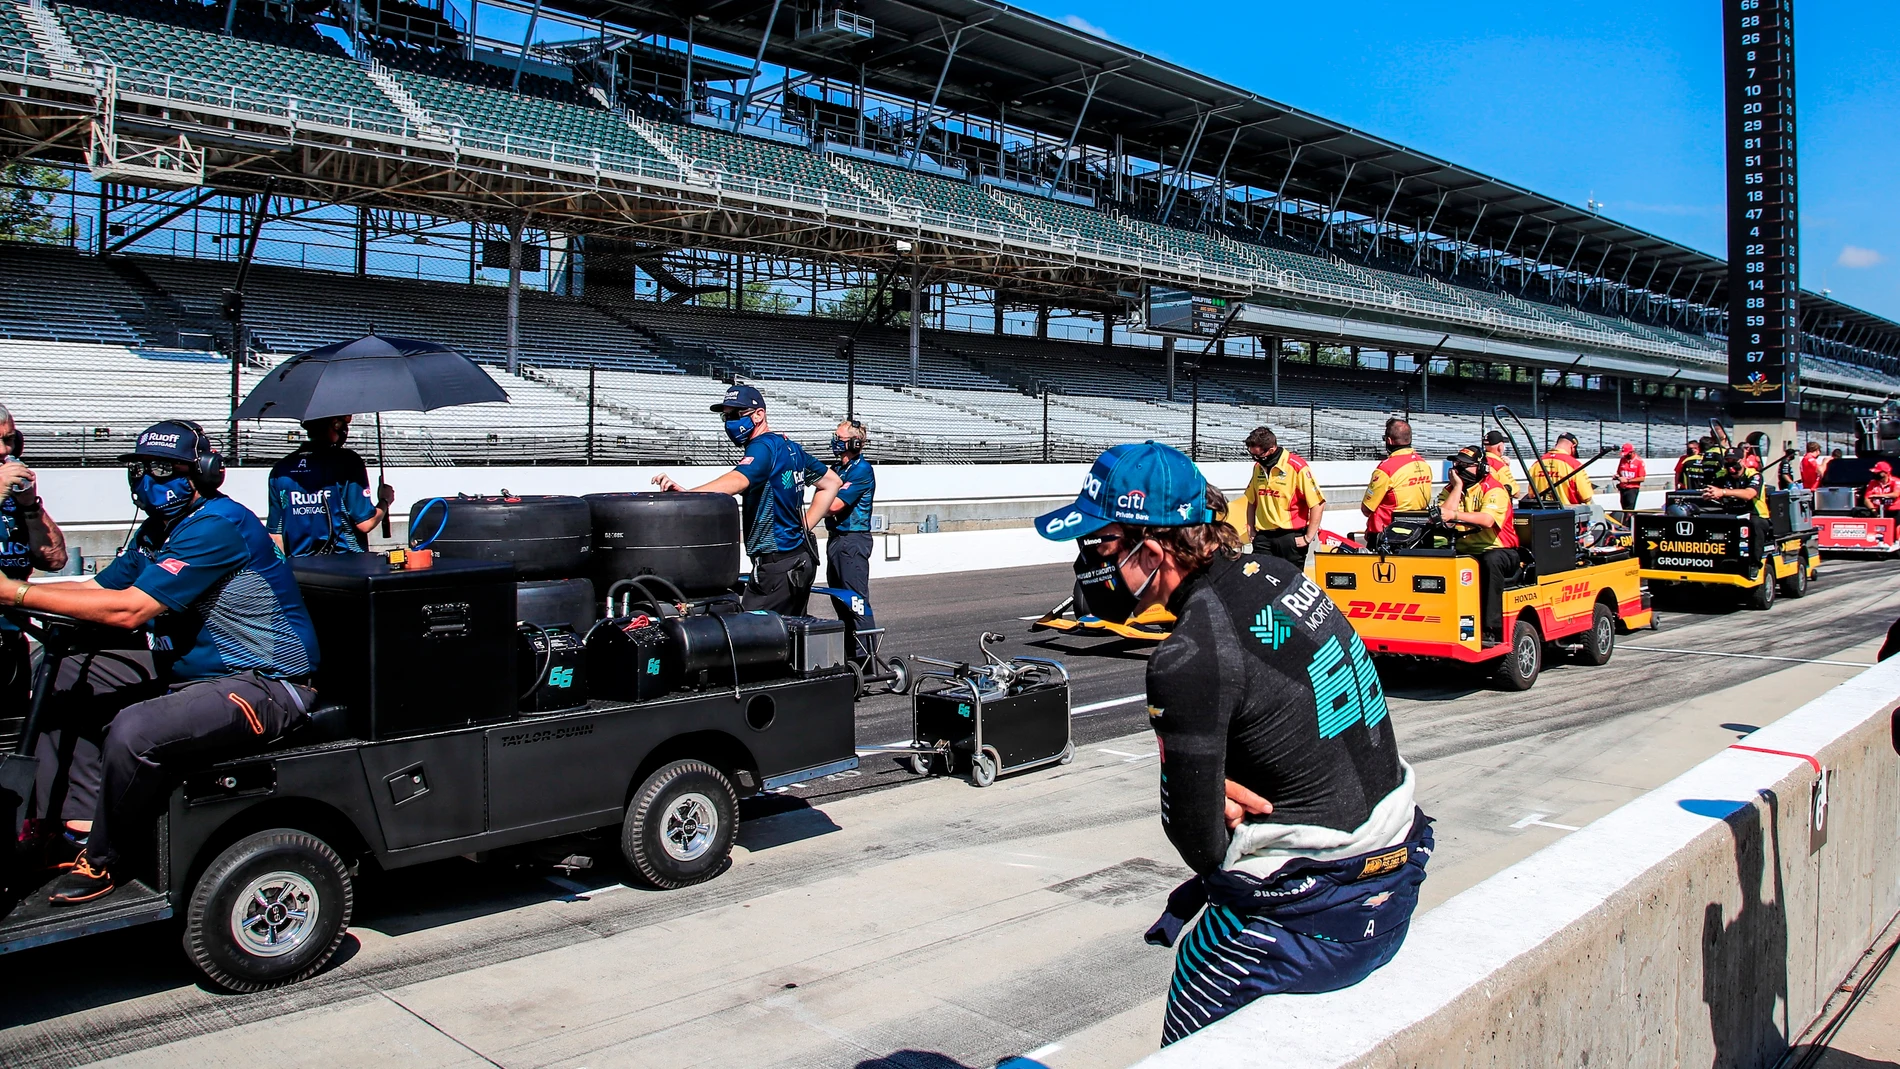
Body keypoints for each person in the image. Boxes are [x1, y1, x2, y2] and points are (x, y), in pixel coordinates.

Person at [1033, 441, 1428, 1046]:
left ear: (1154, 547)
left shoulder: (1186, 655)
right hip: (1396, 868)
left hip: (1323, 910)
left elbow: (1200, 844)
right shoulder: (1276, 576)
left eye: (1100, 543)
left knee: (1194, 977)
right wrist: (1224, 778)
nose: (1086, 561)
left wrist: (1207, 786)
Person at [20, 421, 319, 904]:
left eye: (165, 469)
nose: (149, 480)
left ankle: (106, 860)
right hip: (187, 672)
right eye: (140, 469)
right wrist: (20, 599)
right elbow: (98, 590)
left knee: (134, 729)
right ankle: (76, 827)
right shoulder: (156, 531)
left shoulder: (219, 525)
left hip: (263, 681)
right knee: (64, 673)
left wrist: (16, 590)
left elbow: (129, 609)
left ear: (202, 471)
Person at [652, 384, 841, 615]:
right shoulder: (789, 446)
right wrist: (805, 527)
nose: (729, 422)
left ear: (759, 415)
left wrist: (688, 496)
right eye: (726, 416)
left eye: (735, 415)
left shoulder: (762, 448)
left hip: (776, 565)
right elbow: (831, 482)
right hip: (799, 559)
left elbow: (737, 480)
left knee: (750, 639)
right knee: (788, 637)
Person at [1, 404, 70, 709]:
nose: (5, 451)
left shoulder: (12, 499)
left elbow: (54, 559)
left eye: (10, 440)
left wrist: (30, 506)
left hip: (12, 636)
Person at [265, 415, 395, 556]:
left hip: (298, 569)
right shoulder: (348, 462)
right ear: (336, 424)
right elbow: (366, 523)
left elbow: (275, 535)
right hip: (345, 567)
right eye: (344, 423)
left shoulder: (281, 468)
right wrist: (385, 500)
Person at [1440, 446, 1519, 645]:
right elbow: (1444, 518)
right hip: (1464, 550)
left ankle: (1491, 628)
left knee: (1489, 562)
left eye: (1466, 465)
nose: (1460, 469)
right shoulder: (1451, 489)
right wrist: (1457, 488)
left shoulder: (1494, 489)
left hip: (1500, 550)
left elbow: (1487, 520)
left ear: (1482, 467)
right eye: (1457, 464)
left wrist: (1456, 515)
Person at [823, 419, 876, 654]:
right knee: (840, 601)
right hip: (837, 539)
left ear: (854, 443)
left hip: (853, 541)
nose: (835, 442)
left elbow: (833, 505)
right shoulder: (838, 469)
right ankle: (849, 654)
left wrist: (816, 507)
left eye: (839, 438)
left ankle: (866, 660)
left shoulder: (861, 470)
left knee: (856, 603)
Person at [1240, 426, 1325, 564]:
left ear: (1271, 450)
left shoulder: (1297, 467)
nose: (1255, 459)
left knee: (1290, 583)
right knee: (1259, 582)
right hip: (1263, 538)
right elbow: (1251, 500)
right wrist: (1250, 529)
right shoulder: (1257, 468)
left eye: (1258, 455)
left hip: (1290, 538)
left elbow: (1318, 503)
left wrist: (1308, 537)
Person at [1360, 418, 1435, 543]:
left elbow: (1367, 509)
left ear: (1389, 440)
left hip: (1387, 535)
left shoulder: (1386, 468)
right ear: (1409, 439)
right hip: (1418, 533)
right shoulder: (1424, 464)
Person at [1529, 432, 1594, 506]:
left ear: (1556, 444)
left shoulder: (1536, 464)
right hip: (1567, 514)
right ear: (1573, 447)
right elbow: (1586, 497)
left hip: (1542, 513)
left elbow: (1531, 495)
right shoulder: (1574, 465)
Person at [1482, 430, 1520, 498]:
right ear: (1500, 447)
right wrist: (1506, 467)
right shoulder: (1499, 465)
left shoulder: (1479, 460)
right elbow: (1516, 493)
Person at [1614, 443, 1647, 511]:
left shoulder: (1639, 462)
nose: (1625, 456)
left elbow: (1642, 478)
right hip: (1622, 488)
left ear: (1631, 452)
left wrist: (1628, 480)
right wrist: (1617, 477)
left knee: (1629, 508)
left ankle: (1629, 520)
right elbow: (1619, 472)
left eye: (1626, 454)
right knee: (1624, 508)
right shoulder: (1622, 460)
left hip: (1632, 489)